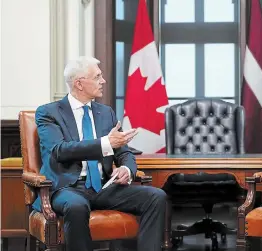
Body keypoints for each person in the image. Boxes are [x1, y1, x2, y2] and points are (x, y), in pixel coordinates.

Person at [32, 56, 166, 251]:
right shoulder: (49, 112)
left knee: (156, 196)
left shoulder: (106, 113)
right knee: (76, 206)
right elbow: (59, 151)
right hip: (67, 188)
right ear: (79, 83)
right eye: (97, 77)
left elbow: (124, 152)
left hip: (104, 187)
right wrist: (105, 143)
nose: (103, 81)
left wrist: (127, 170)